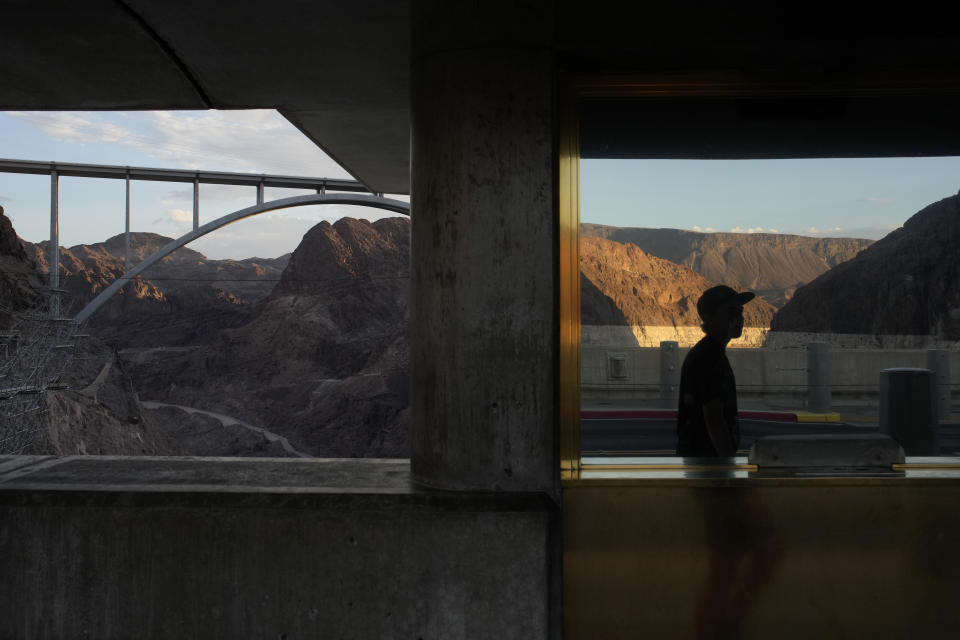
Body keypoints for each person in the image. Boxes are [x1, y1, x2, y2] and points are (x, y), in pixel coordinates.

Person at [676, 285, 756, 457]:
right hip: (707, 465)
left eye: (739, 312)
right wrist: (728, 465)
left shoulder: (710, 353)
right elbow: (714, 419)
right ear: (709, 318)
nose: (739, 318)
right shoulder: (709, 358)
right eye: (730, 312)